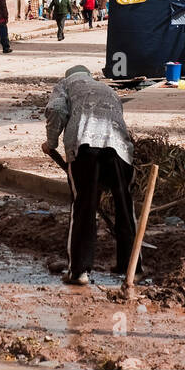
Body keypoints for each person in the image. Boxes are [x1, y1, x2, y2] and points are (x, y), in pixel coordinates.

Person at [41, 65, 136, 285]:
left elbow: (56, 109)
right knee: (125, 205)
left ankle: (79, 271)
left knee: (84, 206)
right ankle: (131, 267)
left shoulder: (65, 85)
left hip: (85, 148)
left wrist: (51, 142)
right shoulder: (107, 89)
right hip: (119, 149)